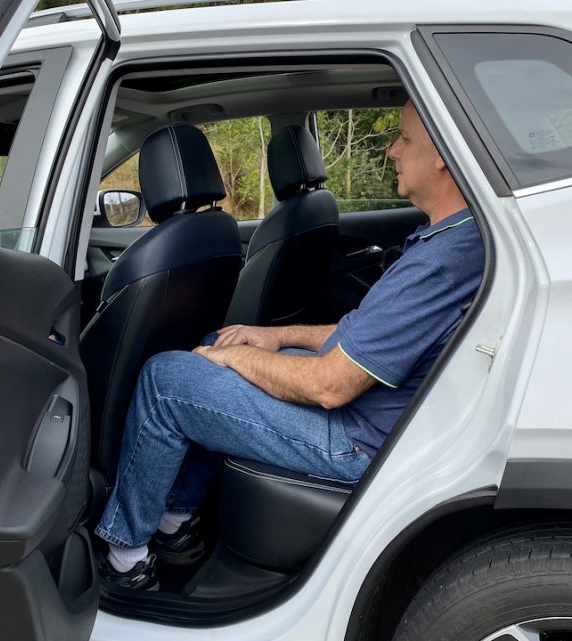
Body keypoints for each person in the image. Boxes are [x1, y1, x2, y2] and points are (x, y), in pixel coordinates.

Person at [94, 101, 484, 589]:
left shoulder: (440, 262)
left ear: (443, 154)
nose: (392, 150)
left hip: (358, 440)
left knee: (164, 381)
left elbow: (331, 387)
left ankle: (126, 558)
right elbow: (362, 334)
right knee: (219, 341)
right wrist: (273, 336)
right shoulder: (452, 238)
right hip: (375, 416)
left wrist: (241, 359)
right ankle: (175, 522)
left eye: (404, 138)